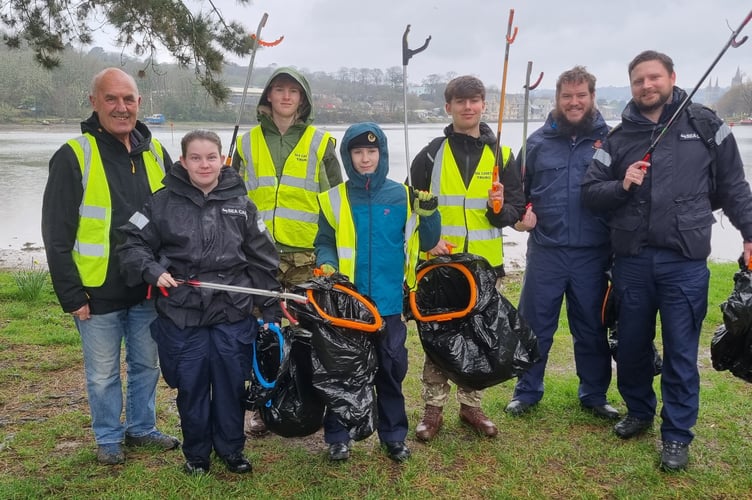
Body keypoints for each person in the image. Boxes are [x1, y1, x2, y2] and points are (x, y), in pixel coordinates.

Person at [582, 50, 752, 472]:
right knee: (634, 346)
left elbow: (734, 187)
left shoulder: (706, 125)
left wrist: (750, 234)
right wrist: (622, 185)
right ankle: (639, 410)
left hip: (686, 262)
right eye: (638, 80)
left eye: (653, 78)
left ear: (672, 78)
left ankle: (676, 435)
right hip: (632, 262)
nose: (646, 86)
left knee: (680, 352)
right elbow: (590, 193)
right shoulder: (617, 139)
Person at [117, 130, 283, 475]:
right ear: (183, 161)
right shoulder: (159, 202)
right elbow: (130, 243)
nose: (204, 164)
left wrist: (270, 314)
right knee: (190, 388)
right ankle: (196, 456)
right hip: (182, 314)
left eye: (211, 157)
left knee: (230, 386)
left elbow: (264, 260)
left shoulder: (243, 205)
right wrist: (151, 270)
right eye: (196, 157)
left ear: (223, 160)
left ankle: (231, 450)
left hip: (232, 314)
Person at [41, 67, 179, 465]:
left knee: (145, 366)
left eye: (129, 99)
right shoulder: (74, 155)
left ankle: (141, 427)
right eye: (112, 99)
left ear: (139, 103)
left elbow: (175, 218)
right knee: (102, 374)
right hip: (95, 291)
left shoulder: (156, 153)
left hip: (146, 288)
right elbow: (56, 233)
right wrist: (71, 294)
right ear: (94, 103)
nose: (122, 107)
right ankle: (108, 437)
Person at [315, 122, 440, 462]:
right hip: (347, 303)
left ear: (382, 154)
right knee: (343, 372)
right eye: (358, 152)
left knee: (390, 371)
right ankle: (338, 437)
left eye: (372, 151)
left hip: (387, 303)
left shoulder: (402, 195)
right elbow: (325, 241)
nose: (365, 158)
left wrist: (429, 214)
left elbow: (426, 241)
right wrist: (326, 263)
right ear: (348, 156)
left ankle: (394, 435)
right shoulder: (333, 198)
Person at [409, 75, 525, 441]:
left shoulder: (503, 155)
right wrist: (429, 239)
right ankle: (433, 408)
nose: (468, 107)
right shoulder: (430, 153)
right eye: (460, 102)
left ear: (483, 104)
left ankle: (471, 406)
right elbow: (412, 208)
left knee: (482, 335)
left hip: (485, 263)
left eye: (474, 100)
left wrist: (500, 206)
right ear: (449, 107)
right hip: (442, 264)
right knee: (439, 334)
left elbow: (516, 211)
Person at [232, 67, 343, 436]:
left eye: (293, 91)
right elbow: (230, 197)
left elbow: (336, 200)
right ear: (267, 96)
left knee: (309, 333)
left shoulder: (321, 142)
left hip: (307, 256)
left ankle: (310, 403)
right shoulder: (246, 143)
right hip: (259, 255)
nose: (285, 96)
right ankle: (263, 408)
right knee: (264, 332)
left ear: (303, 99)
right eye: (278, 89)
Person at [505, 66, 617, 420]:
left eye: (581, 95)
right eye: (567, 96)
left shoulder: (612, 140)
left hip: (593, 253)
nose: (574, 102)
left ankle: (594, 394)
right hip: (546, 251)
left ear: (592, 97)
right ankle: (526, 391)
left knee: (591, 327)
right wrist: (521, 216)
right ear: (556, 99)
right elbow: (516, 194)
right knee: (535, 325)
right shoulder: (537, 142)